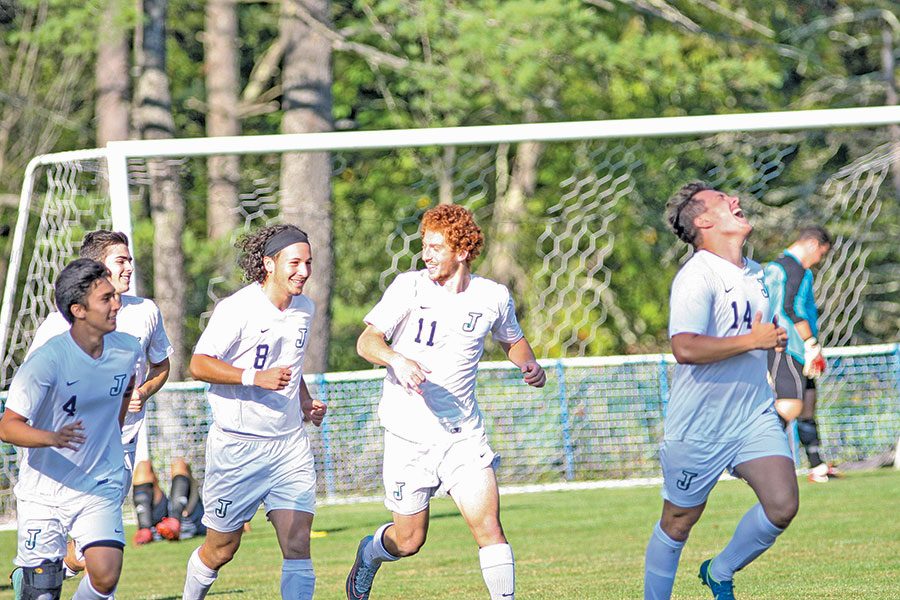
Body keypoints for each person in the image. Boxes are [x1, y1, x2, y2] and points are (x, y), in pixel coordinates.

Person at [346, 204, 546, 600]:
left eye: (436, 246)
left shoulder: (492, 297)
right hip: (408, 437)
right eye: (425, 245)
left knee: (489, 528)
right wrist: (397, 359)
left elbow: (512, 339)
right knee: (408, 541)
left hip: (462, 435)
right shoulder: (409, 287)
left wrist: (530, 364)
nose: (427, 254)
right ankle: (369, 555)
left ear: (462, 249)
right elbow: (367, 341)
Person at [642, 182, 797, 600]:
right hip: (699, 424)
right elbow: (685, 347)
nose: (734, 201)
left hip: (753, 416)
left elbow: (757, 336)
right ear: (703, 221)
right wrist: (754, 341)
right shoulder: (697, 276)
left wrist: (772, 340)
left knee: (782, 505)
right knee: (678, 521)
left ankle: (720, 571)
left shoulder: (757, 273)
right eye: (720, 201)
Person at [182, 224, 327, 600]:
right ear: (269, 264)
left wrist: (305, 400)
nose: (304, 271)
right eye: (294, 262)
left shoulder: (305, 309)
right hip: (237, 448)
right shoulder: (237, 309)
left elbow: (291, 366)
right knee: (221, 549)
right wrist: (253, 377)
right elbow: (198, 364)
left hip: (288, 445)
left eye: (308, 262)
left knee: (297, 543)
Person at [0, 258, 142, 600]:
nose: (117, 303)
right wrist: (52, 437)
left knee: (106, 574)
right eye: (106, 298)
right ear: (78, 310)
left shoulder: (128, 349)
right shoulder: (47, 361)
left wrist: (109, 436)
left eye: (114, 296)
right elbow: (7, 427)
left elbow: (125, 390)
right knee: (43, 590)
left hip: (99, 482)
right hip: (44, 492)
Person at [25, 230, 174, 547]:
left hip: (119, 447)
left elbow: (161, 366)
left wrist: (143, 391)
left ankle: (56, 573)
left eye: (130, 260)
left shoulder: (146, 312)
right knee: (56, 547)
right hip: (64, 449)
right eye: (121, 260)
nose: (129, 268)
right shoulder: (59, 322)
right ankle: (42, 575)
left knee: (97, 549)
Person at [763, 226, 840, 483]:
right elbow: (789, 307)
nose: (819, 259)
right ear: (811, 244)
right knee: (790, 405)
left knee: (808, 403)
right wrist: (810, 342)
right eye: (821, 253)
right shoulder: (791, 269)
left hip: (799, 348)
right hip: (786, 346)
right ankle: (757, 458)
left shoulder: (789, 269)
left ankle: (817, 466)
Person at [131, 458, 207, 542]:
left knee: (179, 463)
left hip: (185, 518)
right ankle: (145, 528)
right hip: (159, 524)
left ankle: (173, 521)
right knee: (143, 466)